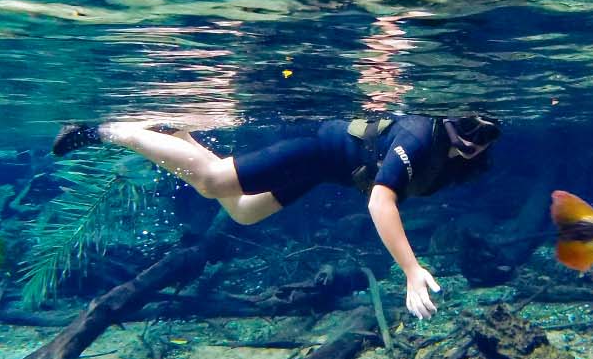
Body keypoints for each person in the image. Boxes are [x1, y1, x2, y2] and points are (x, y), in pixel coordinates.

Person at [51, 114, 501, 319]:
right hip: (316, 148)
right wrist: (411, 270)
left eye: (484, 133)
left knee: (243, 211)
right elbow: (380, 202)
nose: (474, 138)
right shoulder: (419, 137)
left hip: (324, 168)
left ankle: (177, 137)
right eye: (469, 128)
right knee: (212, 182)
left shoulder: (447, 154)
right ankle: (107, 131)